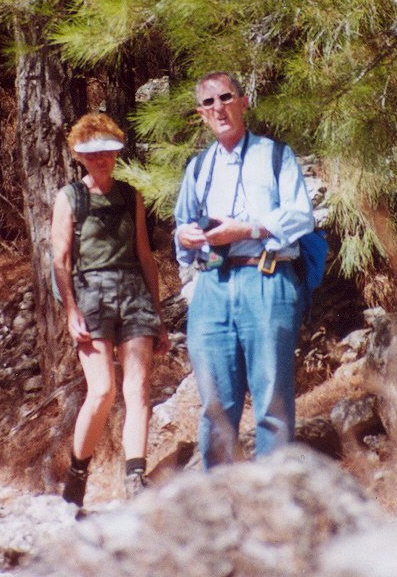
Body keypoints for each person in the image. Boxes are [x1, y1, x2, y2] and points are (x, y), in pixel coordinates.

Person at [174, 72, 314, 469]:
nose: (218, 108)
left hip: (266, 278)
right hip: (212, 286)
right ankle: (219, 497)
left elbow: (301, 215)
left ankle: (275, 493)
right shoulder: (198, 167)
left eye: (225, 98)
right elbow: (180, 226)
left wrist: (247, 229)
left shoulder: (275, 155)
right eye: (208, 103)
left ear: (243, 102)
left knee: (272, 399)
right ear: (201, 114)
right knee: (215, 404)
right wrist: (185, 236)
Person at [51, 113, 169, 508]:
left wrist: (158, 315)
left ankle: (135, 477)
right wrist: (71, 310)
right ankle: (77, 474)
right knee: (102, 390)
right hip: (90, 295)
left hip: (133, 292)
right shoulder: (69, 198)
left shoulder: (130, 195)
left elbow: (145, 255)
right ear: (80, 157)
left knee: (138, 387)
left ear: (116, 153)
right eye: (92, 153)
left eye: (107, 152)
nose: (101, 159)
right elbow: (60, 260)